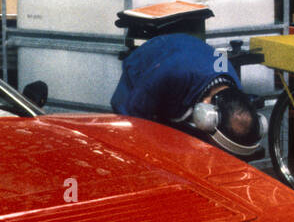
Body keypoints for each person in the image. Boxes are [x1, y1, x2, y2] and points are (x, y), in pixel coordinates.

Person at [110, 33, 262, 157]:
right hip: (147, 62)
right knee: (131, 138)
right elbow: (132, 114)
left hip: (187, 64)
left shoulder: (233, 84)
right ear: (207, 113)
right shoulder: (169, 73)